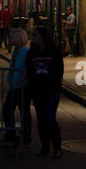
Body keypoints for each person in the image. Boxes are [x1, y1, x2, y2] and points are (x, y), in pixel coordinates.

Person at [26, 26, 64, 158]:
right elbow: (29, 70)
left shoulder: (54, 51)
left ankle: (57, 146)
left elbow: (59, 71)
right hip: (38, 91)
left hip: (51, 91)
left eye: (35, 35)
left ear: (42, 36)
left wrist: (54, 86)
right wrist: (32, 88)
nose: (32, 37)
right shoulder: (32, 52)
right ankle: (45, 146)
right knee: (41, 120)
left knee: (50, 118)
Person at [1, 27, 32, 148]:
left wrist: (20, 80)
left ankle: (25, 136)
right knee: (7, 109)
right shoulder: (16, 50)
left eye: (12, 37)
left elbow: (24, 69)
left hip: (22, 86)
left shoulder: (25, 52)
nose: (10, 39)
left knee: (24, 112)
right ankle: (11, 133)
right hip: (14, 85)